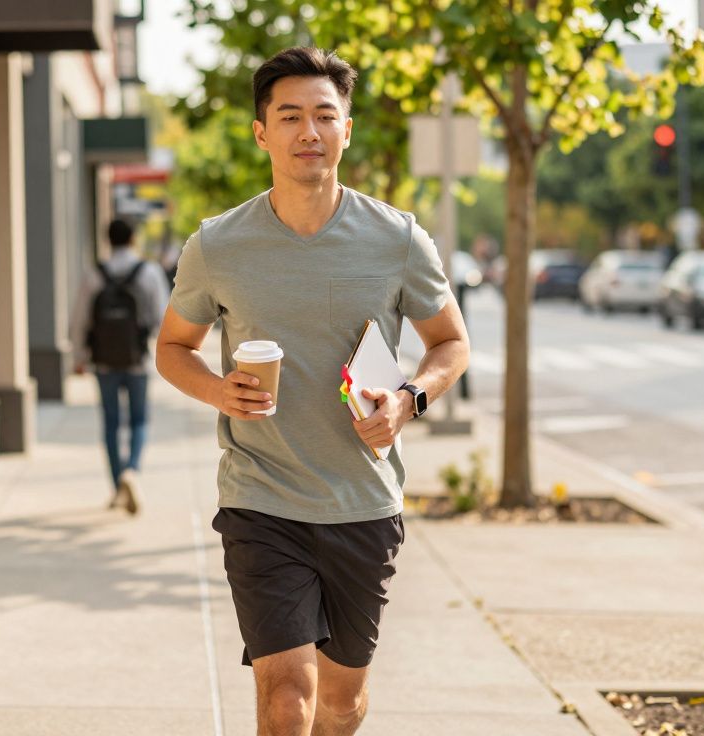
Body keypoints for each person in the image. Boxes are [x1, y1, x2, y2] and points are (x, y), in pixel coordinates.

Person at [156, 48, 470, 735]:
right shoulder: (217, 245)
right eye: (290, 115)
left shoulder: (397, 238)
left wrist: (409, 397)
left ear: (346, 129)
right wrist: (218, 391)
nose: (309, 131)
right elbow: (172, 350)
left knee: (339, 702)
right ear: (261, 131)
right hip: (260, 498)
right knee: (286, 695)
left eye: (324, 115)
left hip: (361, 500)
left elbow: (451, 342)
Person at [71, 219, 170, 515]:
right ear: (134, 238)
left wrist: (78, 356)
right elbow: (162, 318)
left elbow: (80, 320)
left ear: (108, 240)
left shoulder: (94, 274)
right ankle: (133, 470)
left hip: (103, 361)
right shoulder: (148, 272)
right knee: (139, 420)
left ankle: (117, 487)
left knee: (111, 423)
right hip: (137, 359)